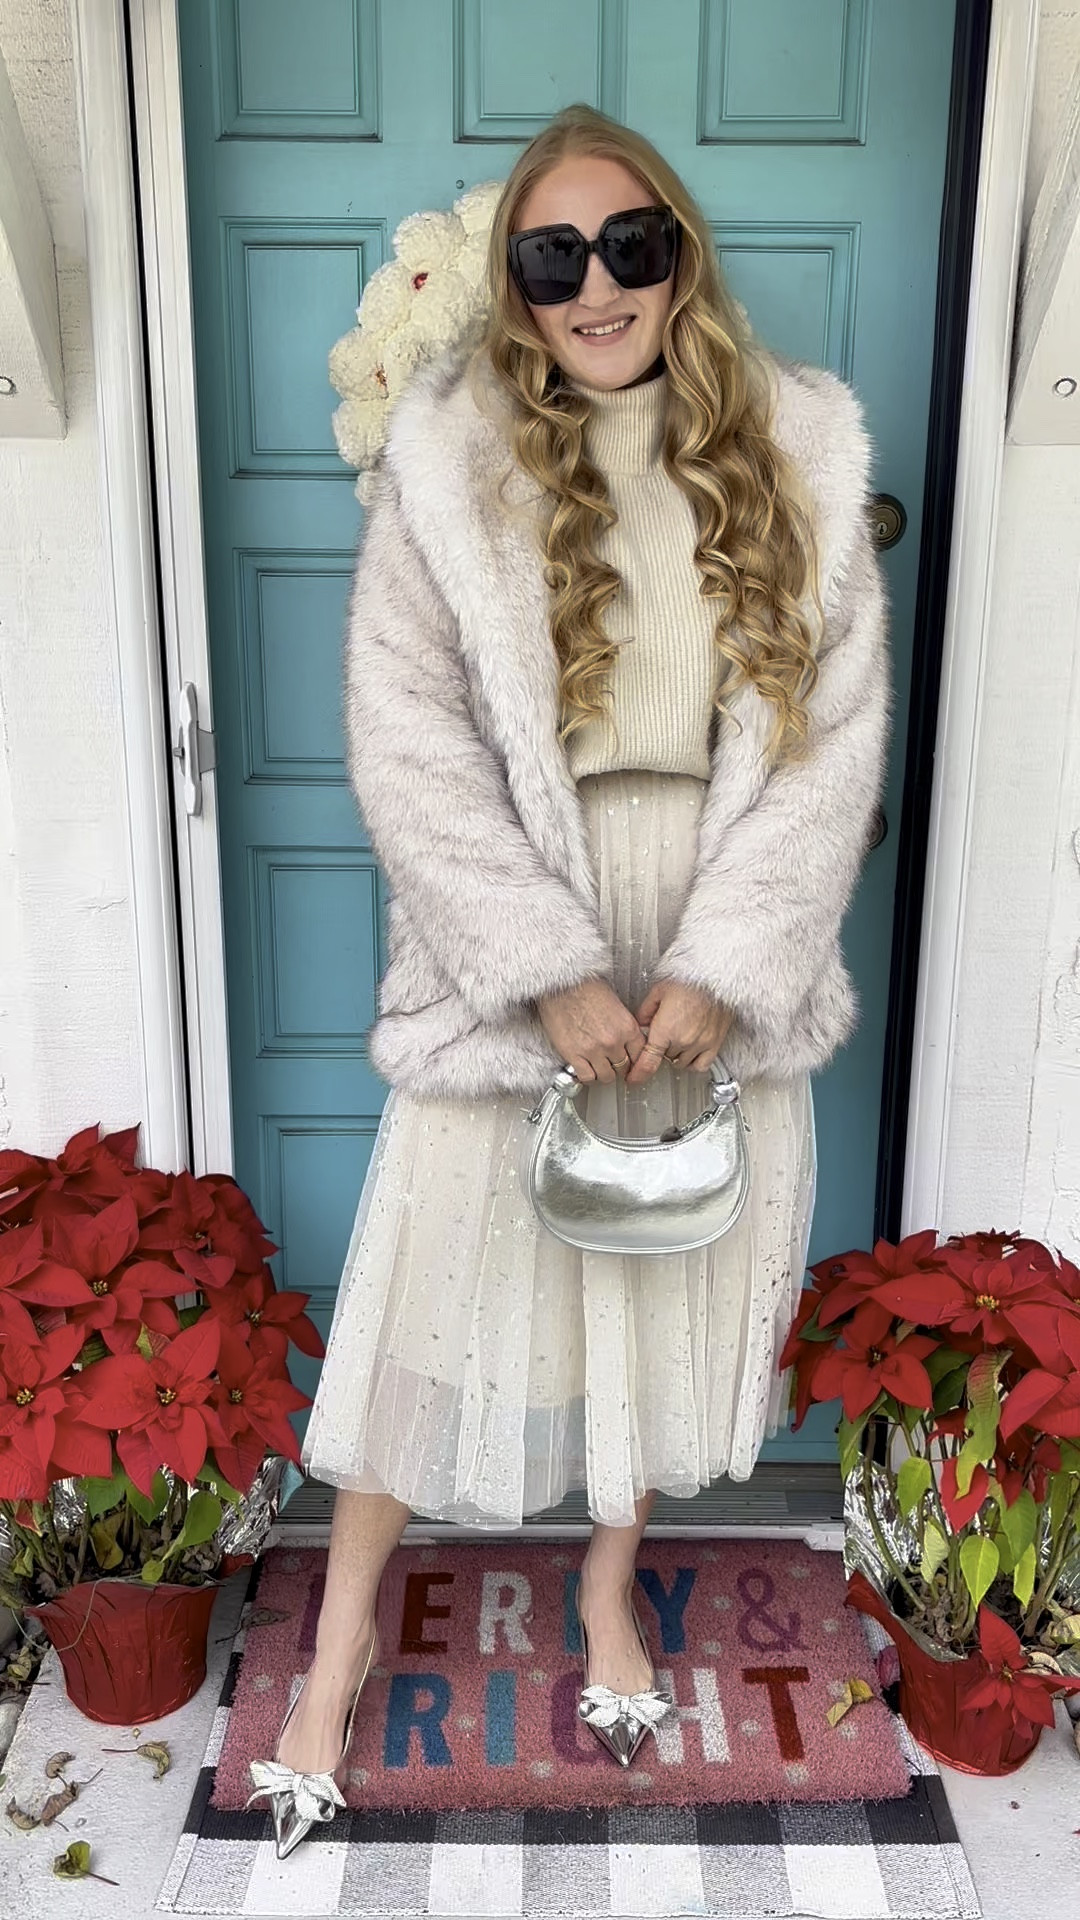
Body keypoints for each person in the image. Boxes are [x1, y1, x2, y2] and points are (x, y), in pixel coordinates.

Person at [246, 103, 891, 1856]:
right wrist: (535, 969)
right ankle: (341, 1645)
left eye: (631, 246)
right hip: (517, 919)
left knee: (659, 1269)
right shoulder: (450, 462)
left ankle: (612, 1594)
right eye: (554, 258)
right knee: (435, 1284)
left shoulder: (803, 452)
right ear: (515, 293)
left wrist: (727, 969)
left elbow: (831, 747)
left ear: (681, 258)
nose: (596, 285)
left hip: (718, 913)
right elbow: (408, 738)